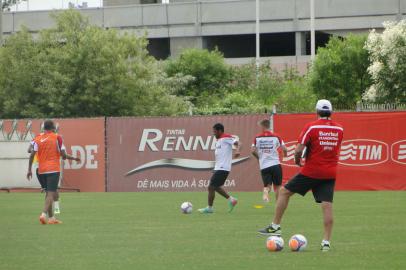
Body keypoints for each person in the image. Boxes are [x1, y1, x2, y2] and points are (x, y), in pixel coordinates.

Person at [258, 100, 344, 252]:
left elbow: (299, 150)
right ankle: (326, 242)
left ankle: (275, 227)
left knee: (284, 192)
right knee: (327, 205)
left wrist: (298, 161)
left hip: (311, 171)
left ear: (316, 111)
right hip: (330, 173)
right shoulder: (339, 129)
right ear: (331, 112)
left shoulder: (311, 127)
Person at [27, 120, 80, 225]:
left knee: (48, 193)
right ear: (53, 128)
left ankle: (51, 218)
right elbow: (63, 155)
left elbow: (30, 152)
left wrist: (29, 170)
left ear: (43, 128)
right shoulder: (57, 137)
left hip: (40, 170)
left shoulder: (37, 138)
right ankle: (43, 214)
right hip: (53, 169)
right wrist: (70, 157)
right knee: (51, 193)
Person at [198, 123, 241, 214]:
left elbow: (238, 143)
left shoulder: (226, 137)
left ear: (220, 131)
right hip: (219, 168)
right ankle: (232, 200)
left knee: (211, 187)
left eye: (215, 131)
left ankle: (210, 208)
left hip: (223, 168)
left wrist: (237, 151)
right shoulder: (219, 140)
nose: (214, 133)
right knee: (215, 187)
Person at [252, 119, 287, 203]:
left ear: (263, 126)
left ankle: (265, 192)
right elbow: (285, 149)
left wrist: (259, 158)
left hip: (264, 165)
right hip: (275, 164)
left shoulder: (257, 138)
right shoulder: (276, 137)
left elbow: (253, 151)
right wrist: (285, 155)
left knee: (267, 185)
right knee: (278, 186)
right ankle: (278, 204)